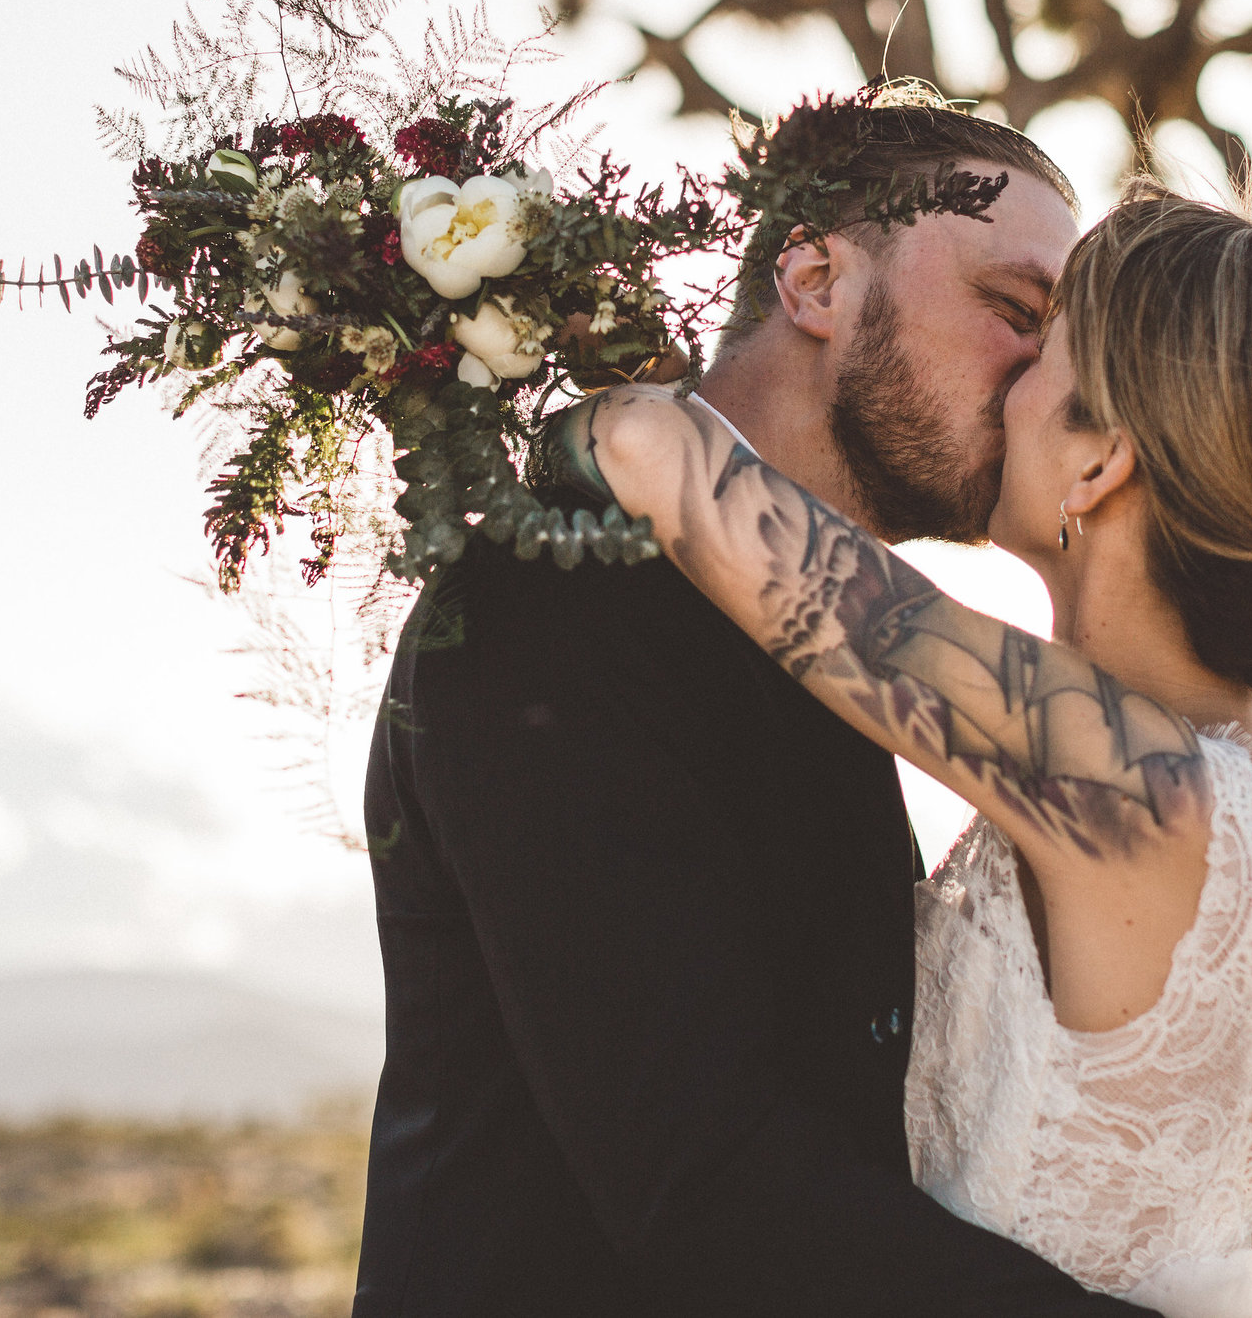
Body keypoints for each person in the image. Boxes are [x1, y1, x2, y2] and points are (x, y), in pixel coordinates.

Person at [559, 183, 1252, 1314]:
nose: (1006, 374)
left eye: (1044, 352)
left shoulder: (1118, 772)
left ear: (1095, 467)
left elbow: (657, 447)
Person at [352, 100, 1147, 1316]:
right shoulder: (553, 603)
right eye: (1014, 312)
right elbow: (703, 1181)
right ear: (817, 279)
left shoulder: (834, 629)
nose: (1041, 382)